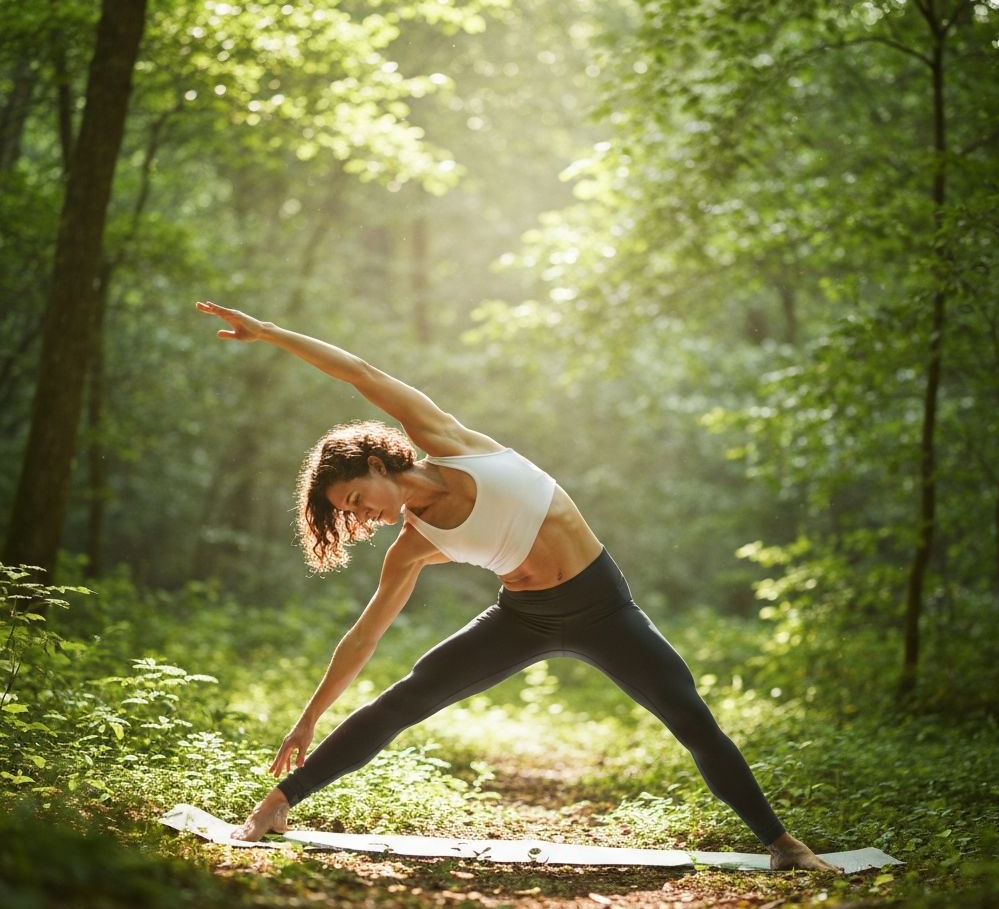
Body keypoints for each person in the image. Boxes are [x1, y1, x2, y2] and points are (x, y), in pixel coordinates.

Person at [195, 300, 838, 872]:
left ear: (376, 463)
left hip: (601, 606)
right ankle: (279, 803)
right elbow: (362, 639)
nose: (361, 515)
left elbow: (363, 374)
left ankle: (783, 842)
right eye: (350, 514)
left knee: (688, 713)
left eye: (358, 498)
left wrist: (273, 334)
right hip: (523, 618)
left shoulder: (451, 444)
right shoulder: (413, 546)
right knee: (405, 698)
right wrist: (306, 721)